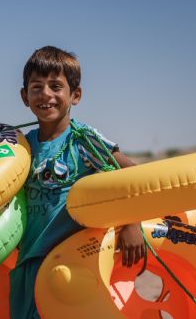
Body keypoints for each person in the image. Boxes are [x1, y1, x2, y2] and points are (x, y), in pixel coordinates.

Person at [9, 46, 145, 318]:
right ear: (25, 96)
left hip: (70, 259)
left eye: (56, 86)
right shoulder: (20, 145)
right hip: (28, 258)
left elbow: (130, 173)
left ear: (76, 95)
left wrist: (132, 224)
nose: (46, 94)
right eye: (36, 87)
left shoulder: (83, 140)